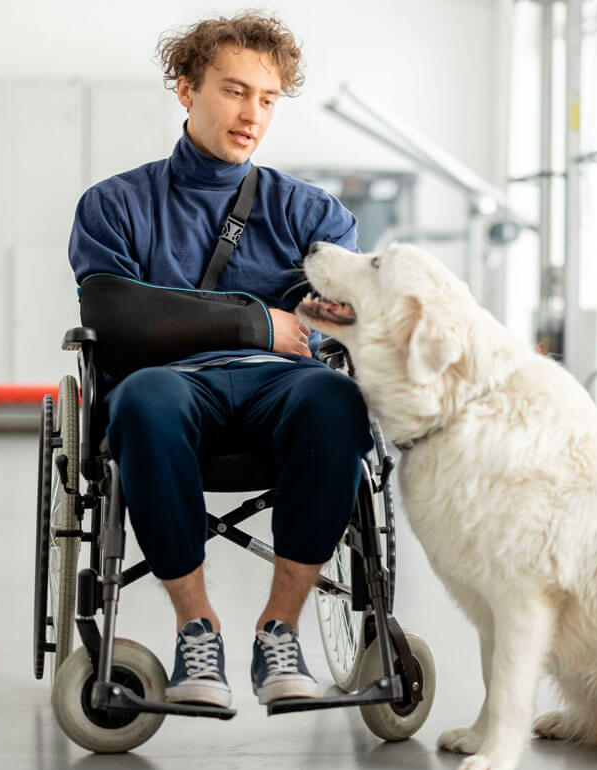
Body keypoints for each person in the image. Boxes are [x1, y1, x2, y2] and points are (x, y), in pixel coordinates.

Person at [67, 12, 372, 708]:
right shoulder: (116, 204)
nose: (252, 115)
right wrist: (257, 319)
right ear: (185, 88)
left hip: (286, 392)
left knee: (339, 400)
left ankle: (280, 630)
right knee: (142, 398)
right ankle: (196, 629)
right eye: (235, 92)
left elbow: (343, 317)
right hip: (170, 393)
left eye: (267, 99)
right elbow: (116, 318)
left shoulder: (310, 211)